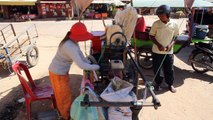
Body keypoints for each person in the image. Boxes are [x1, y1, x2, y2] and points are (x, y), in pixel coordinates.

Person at [48, 22, 100, 119]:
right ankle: (65, 116)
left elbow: (81, 56)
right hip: (57, 73)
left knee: (61, 94)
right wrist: (96, 67)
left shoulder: (72, 42)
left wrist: (89, 62)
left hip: (60, 71)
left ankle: (60, 110)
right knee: (64, 97)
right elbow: (81, 65)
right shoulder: (69, 46)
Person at [149, 5, 179, 93]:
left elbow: (176, 36)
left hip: (169, 52)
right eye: (159, 16)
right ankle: (158, 84)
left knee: (169, 69)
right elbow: (151, 36)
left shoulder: (174, 24)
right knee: (157, 69)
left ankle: (170, 84)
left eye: (162, 15)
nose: (161, 17)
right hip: (156, 51)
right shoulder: (156, 24)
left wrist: (171, 44)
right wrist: (158, 45)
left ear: (168, 14)